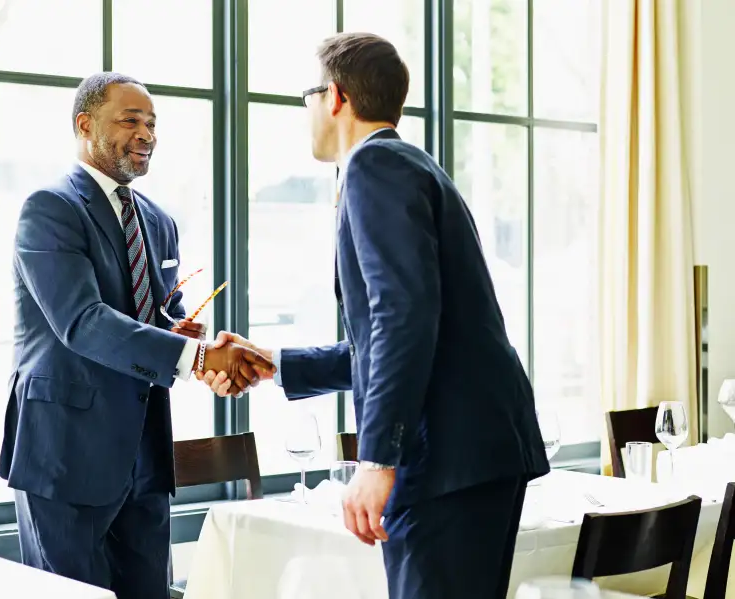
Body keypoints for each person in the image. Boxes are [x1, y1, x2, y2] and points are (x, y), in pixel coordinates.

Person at [197, 33, 549, 599]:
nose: (306, 110)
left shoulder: (373, 167)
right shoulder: (411, 165)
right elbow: (405, 329)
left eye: (308, 95)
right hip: (477, 448)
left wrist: (377, 459)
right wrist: (276, 363)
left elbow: (402, 320)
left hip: (445, 459)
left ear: (335, 96)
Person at [0, 72, 273, 599]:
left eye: (152, 123)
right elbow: (83, 322)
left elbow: (156, 314)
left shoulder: (159, 220)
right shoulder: (50, 209)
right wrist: (195, 356)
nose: (147, 133)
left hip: (146, 454)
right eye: (131, 120)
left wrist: (179, 330)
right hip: (65, 454)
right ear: (85, 124)